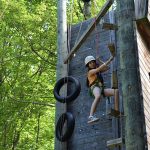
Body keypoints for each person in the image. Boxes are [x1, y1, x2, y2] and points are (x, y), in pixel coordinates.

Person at [85, 55, 119, 124]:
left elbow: (107, 68)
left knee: (116, 91)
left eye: (93, 62)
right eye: (90, 63)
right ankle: (91, 116)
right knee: (98, 96)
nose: (92, 63)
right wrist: (109, 60)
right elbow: (98, 69)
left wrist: (100, 60)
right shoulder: (90, 72)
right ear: (88, 65)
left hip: (100, 88)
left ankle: (116, 111)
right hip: (94, 87)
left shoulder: (97, 71)